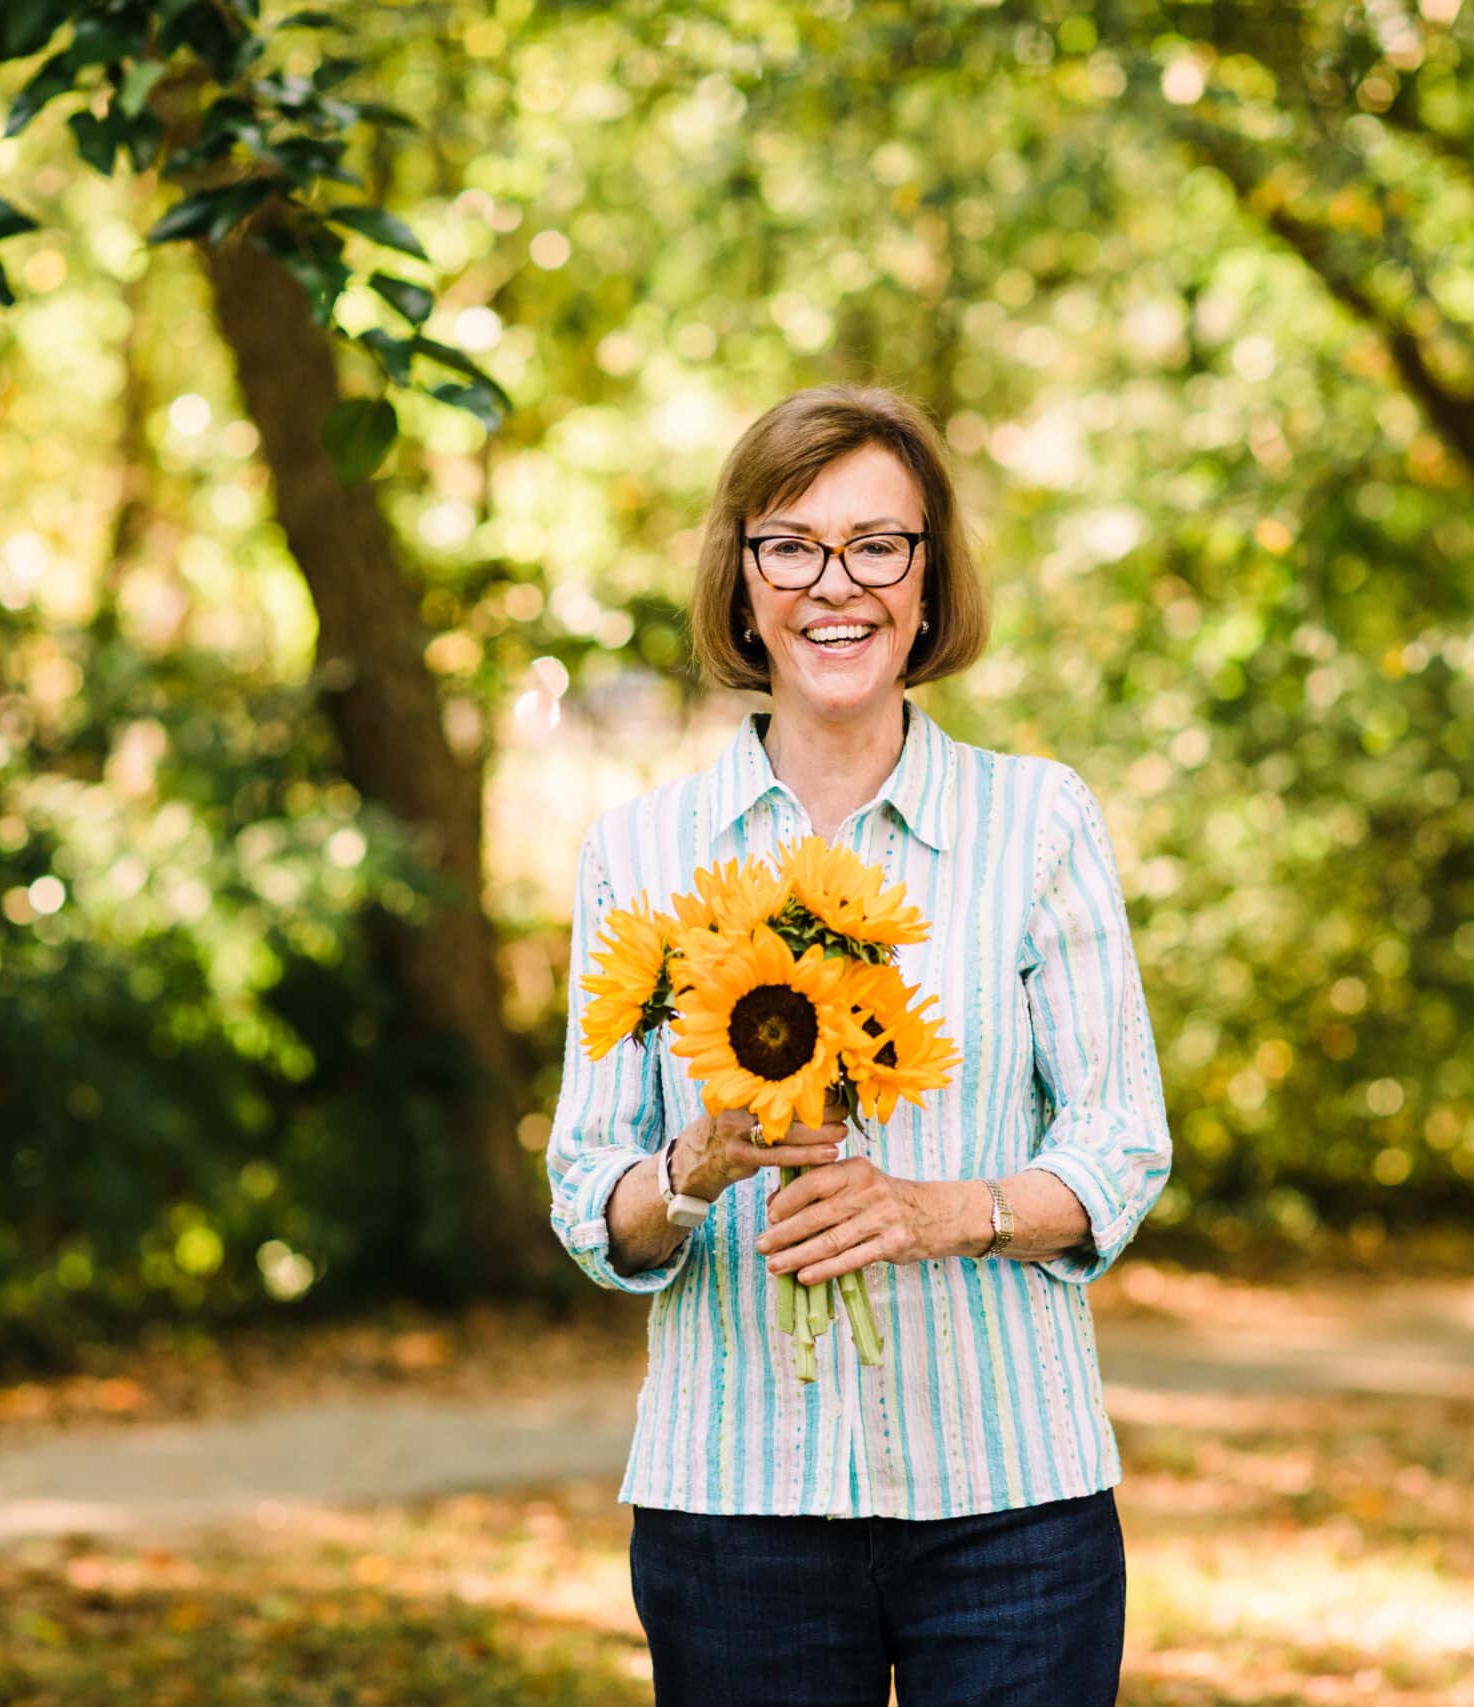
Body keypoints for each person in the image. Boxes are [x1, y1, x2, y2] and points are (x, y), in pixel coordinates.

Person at [544, 383, 1173, 1706]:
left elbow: (1121, 1145)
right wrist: (697, 1165)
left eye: (879, 544)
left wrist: (939, 1212)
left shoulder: (1038, 822)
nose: (840, 585)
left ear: (931, 580)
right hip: (732, 1515)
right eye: (793, 544)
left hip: (1014, 1509)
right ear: (743, 576)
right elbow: (587, 1193)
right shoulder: (643, 853)